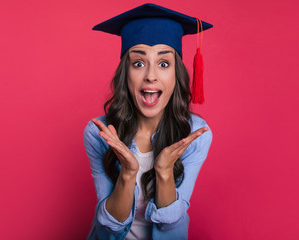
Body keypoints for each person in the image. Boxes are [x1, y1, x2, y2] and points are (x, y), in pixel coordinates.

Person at [83, 3, 213, 239]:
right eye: (138, 63)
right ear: (126, 74)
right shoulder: (100, 133)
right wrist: (128, 173)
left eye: (164, 64)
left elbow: (171, 225)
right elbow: (109, 226)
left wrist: (164, 171)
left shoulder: (194, 134)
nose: (151, 75)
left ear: (177, 75)